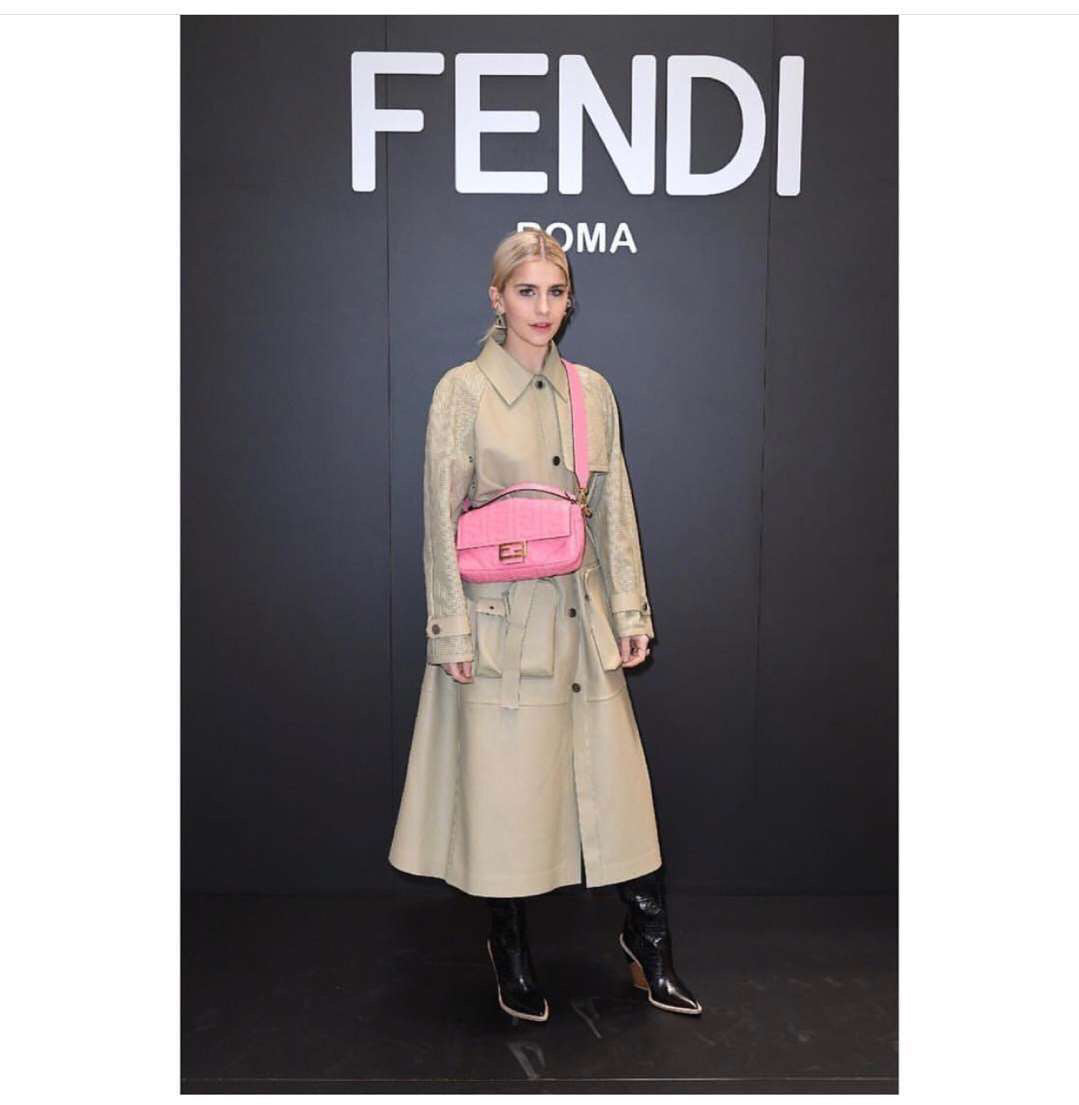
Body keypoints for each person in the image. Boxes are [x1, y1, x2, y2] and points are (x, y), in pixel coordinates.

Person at [388, 228, 700, 1019]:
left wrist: (628, 611)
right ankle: (511, 947)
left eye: (555, 292)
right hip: (499, 626)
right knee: (506, 796)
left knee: (617, 792)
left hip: (579, 619)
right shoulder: (461, 391)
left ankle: (648, 940)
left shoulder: (590, 391)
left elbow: (613, 509)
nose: (542, 307)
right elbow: (438, 517)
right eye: (526, 290)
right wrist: (450, 630)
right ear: (496, 297)